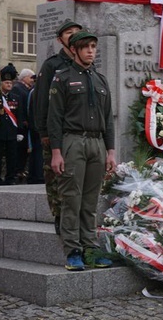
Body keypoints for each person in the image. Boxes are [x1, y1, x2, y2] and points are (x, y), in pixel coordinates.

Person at [48, 30, 116, 271]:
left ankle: (90, 248)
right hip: (72, 142)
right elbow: (54, 119)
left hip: (97, 144)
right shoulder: (62, 78)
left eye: (94, 47)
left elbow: (108, 118)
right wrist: (56, 152)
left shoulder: (100, 80)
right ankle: (72, 251)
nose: (91, 51)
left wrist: (110, 150)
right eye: (86, 47)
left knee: (90, 201)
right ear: (74, 50)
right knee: (71, 199)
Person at [35, 19, 82, 233]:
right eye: (68, 33)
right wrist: (44, 132)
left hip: (78, 132)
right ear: (59, 39)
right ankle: (58, 215)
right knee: (55, 177)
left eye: (76, 32)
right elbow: (41, 101)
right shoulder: (52, 65)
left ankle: (76, 217)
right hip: (56, 132)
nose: (72, 35)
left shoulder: (84, 63)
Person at [0, 63, 24, 185]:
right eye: (6, 82)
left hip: (12, 132)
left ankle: (10, 178)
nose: (9, 84)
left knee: (12, 157)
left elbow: (20, 116)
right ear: (1, 83)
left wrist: (20, 131)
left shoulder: (15, 97)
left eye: (10, 83)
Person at [12, 68, 35, 182]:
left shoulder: (28, 89)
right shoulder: (17, 88)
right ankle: (18, 170)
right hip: (22, 124)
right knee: (20, 149)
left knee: (25, 149)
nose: (32, 80)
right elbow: (18, 106)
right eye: (31, 77)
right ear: (24, 77)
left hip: (27, 125)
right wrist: (23, 120)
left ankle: (21, 169)